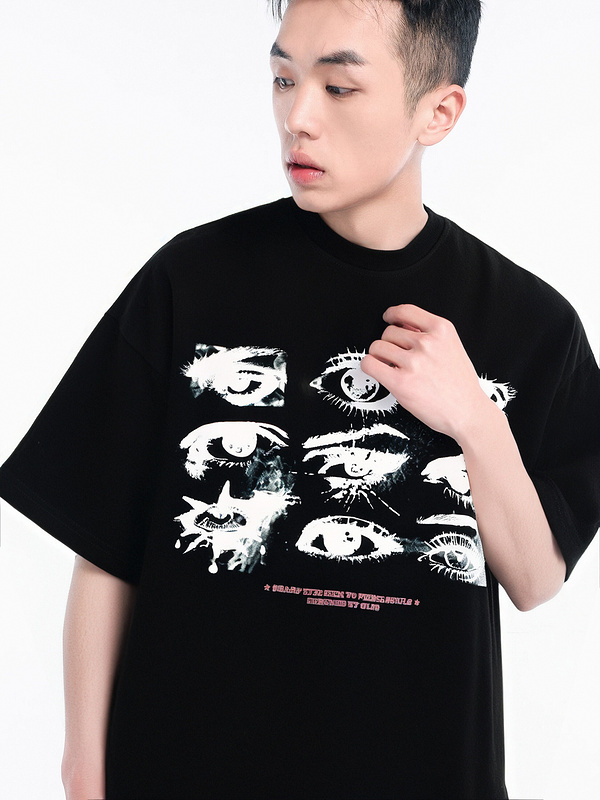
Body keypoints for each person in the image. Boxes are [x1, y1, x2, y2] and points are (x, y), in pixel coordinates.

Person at [0, 0, 598, 798]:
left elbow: (535, 579)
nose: (298, 118)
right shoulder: (192, 280)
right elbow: (104, 546)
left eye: (338, 87)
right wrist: (83, 767)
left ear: (439, 111)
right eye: (284, 79)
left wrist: (475, 419)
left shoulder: (530, 323)